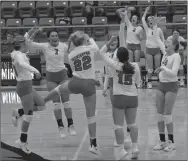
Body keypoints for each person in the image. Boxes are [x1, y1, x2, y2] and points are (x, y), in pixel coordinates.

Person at [43, 31, 100, 155]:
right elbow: (95, 46)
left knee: (59, 89)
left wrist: (77, 39)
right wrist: (89, 37)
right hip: (89, 85)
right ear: (84, 40)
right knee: (91, 116)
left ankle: (43, 101)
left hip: (75, 82)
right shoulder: (90, 47)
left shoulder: (71, 54)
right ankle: (93, 144)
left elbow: (74, 58)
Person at [100, 8, 141, 160]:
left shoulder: (114, 65)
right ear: (128, 55)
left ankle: (121, 150)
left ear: (117, 55)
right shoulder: (136, 66)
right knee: (132, 124)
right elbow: (137, 82)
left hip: (118, 97)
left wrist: (108, 42)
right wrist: (124, 22)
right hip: (132, 97)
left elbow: (101, 53)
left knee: (118, 125)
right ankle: (135, 148)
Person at [25, 27, 76, 139]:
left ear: (58, 37)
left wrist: (73, 39)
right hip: (51, 78)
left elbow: (74, 49)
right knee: (56, 103)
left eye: (56, 35)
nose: (54, 37)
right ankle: (61, 127)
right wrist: (36, 31)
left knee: (66, 102)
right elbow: (28, 42)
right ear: (49, 38)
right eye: (52, 36)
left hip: (62, 76)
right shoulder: (44, 46)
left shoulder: (63, 46)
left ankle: (71, 125)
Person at [11, 35, 46, 154]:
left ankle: (19, 112)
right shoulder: (19, 55)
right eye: (25, 45)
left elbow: (24, 37)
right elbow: (21, 63)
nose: (27, 46)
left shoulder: (16, 52)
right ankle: (22, 141)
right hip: (23, 86)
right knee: (29, 115)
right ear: (21, 46)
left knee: (41, 105)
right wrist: (35, 70)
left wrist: (32, 32)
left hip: (28, 85)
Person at [153, 20, 181, 152]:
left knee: (167, 115)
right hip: (161, 85)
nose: (166, 42)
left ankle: (171, 142)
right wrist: (154, 24)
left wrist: (163, 67)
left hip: (171, 86)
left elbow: (174, 72)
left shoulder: (176, 56)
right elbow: (156, 38)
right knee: (159, 115)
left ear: (174, 45)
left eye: (168, 41)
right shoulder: (165, 53)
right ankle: (162, 140)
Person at [142, 6, 165, 89]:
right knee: (150, 69)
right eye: (149, 21)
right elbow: (142, 19)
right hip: (149, 50)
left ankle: (160, 82)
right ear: (148, 22)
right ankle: (149, 83)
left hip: (157, 50)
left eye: (152, 20)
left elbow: (163, 39)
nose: (150, 21)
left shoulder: (157, 29)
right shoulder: (147, 29)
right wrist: (146, 11)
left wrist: (154, 14)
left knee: (158, 67)